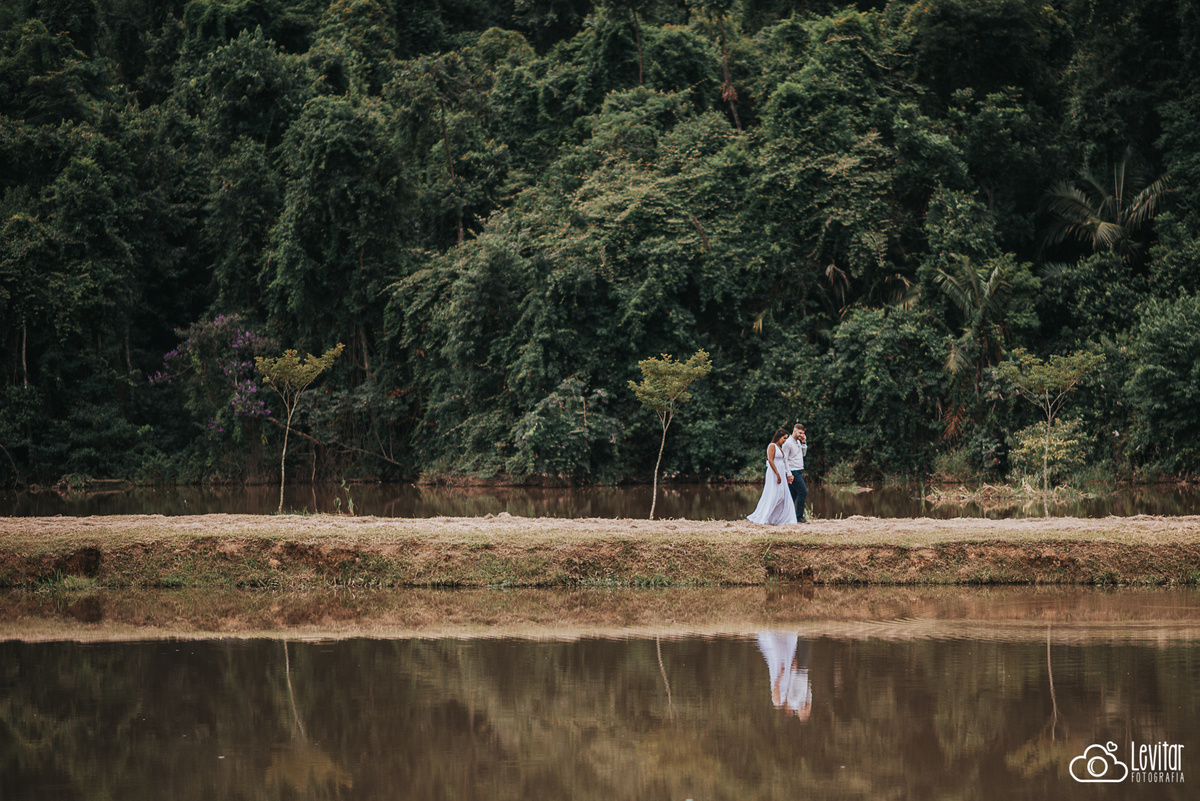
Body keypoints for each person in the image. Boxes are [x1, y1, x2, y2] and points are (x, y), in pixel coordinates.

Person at [747, 429, 798, 525]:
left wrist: (787, 474)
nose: (785, 440)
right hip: (774, 473)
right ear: (779, 437)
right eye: (784, 438)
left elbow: (784, 462)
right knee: (774, 494)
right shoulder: (772, 446)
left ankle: (777, 518)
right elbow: (770, 460)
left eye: (786, 438)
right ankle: (764, 516)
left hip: (782, 473)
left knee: (782, 495)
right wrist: (777, 474)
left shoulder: (780, 447)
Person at [781, 423, 808, 523]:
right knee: (803, 492)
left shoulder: (798, 442)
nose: (801, 435)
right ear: (794, 431)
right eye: (800, 433)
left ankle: (788, 516)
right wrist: (789, 474)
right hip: (793, 471)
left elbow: (803, 454)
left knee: (793, 495)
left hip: (798, 470)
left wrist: (804, 443)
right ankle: (799, 516)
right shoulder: (788, 443)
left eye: (803, 433)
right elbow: (785, 459)